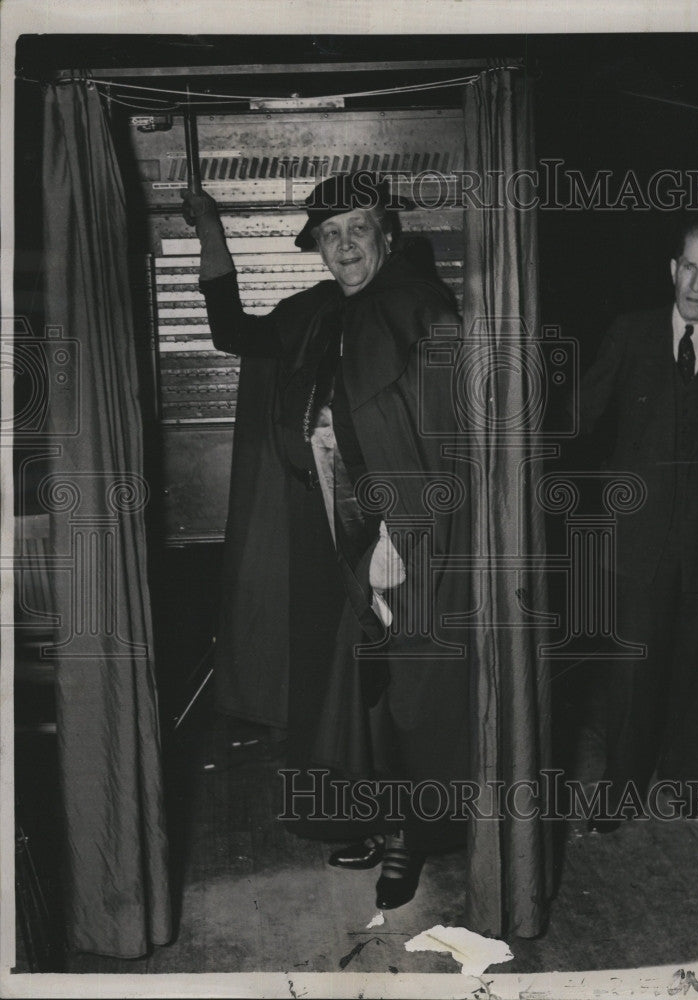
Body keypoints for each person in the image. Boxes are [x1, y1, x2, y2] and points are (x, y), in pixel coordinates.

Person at [181, 173, 471, 907]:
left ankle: (413, 836)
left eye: (357, 231)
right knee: (344, 688)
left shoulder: (420, 309)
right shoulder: (317, 310)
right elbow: (233, 333)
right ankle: (368, 815)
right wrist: (209, 230)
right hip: (324, 529)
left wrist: (399, 532)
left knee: (401, 687)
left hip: (395, 530)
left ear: (387, 235)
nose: (344, 246)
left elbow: (445, 440)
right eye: (330, 235)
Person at [578, 214, 698, 830]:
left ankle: (689, 784)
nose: (697, 284)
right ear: (673, 270)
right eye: (689, 268)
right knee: (632, 675)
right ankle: (620, 789)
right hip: (637, 541)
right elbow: (582, 416)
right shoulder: (631, 333)